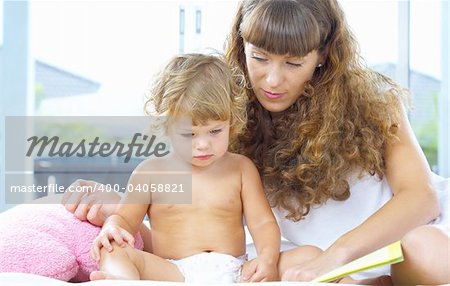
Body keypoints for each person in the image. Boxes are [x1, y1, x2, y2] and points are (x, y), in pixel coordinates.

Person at [64, 0, 449, 285]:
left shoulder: (375, 100)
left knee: (425, 248)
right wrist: (121, 211)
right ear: (241, 45)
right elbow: (201, 235)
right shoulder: (226, 114)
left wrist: (336, 256)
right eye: (259, 57)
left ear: (324, 55)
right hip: (315, 267)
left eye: (293, 63)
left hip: (400, 240)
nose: (272, 81)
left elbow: (421, 197)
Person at [87, 53, 284, 283]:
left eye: (215, 131)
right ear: (167, 125)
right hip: (173, 273)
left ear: (232, 121)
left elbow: (262, 223)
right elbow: (125, 220)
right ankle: (121, 281)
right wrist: (111, 227)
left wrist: (267, 259)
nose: (202, 144)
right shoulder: (151, 173)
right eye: (189, 134)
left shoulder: (241, 169)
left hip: (236, 270)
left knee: (307, 254)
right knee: (112, 251)